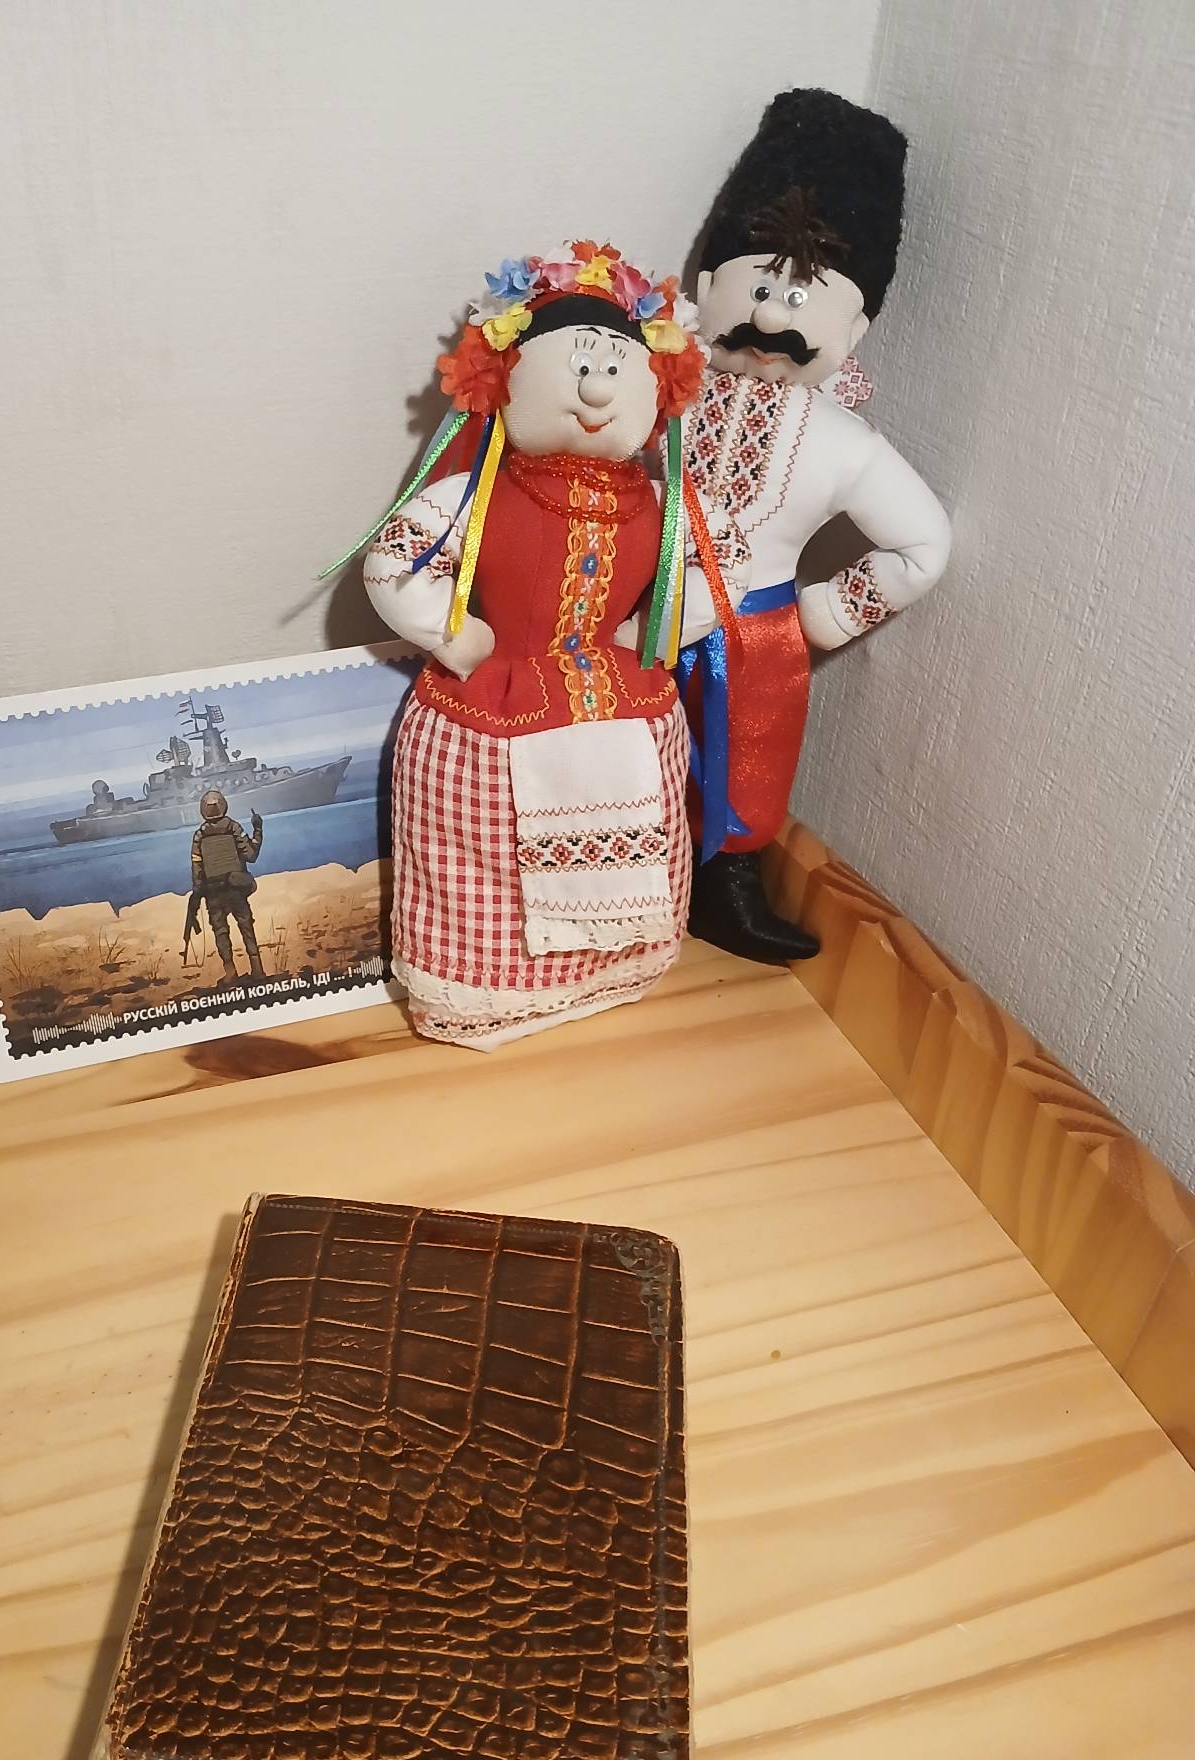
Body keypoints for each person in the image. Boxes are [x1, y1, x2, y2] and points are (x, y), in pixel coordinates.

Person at [334, 241, 727, 1049]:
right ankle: (484, 989)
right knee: (478, 846)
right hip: (496, 690)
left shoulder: (665, 502)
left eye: (615, 369)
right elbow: (392, 561)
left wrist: (652, 629)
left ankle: (617, 964)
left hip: (623, 692)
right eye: (577, 367)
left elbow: (722, 565)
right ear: (503, 380)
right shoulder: (476, 495)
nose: (596, 388)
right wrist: (457, 635)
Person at [677, 88, 951, 963]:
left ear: (855, 327)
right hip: (630, 605)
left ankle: (723, 884)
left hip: (756, 631)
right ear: (708, 287)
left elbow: (923, 544)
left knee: (746, 763)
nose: (771, 318)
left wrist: (826, 613)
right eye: (759, 286)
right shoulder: (658, 390)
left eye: (803, 296)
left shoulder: (845, 442)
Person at [190, 790, 264, 980]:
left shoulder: (199, 835)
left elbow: (197, 868)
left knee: (220, 932)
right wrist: (257, 830)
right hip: (236, 889)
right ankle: (257, 970)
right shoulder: (234, 827)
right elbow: (251, 855)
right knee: (246, 927)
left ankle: (230, 974)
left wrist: (198, 892)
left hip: (213, 892)